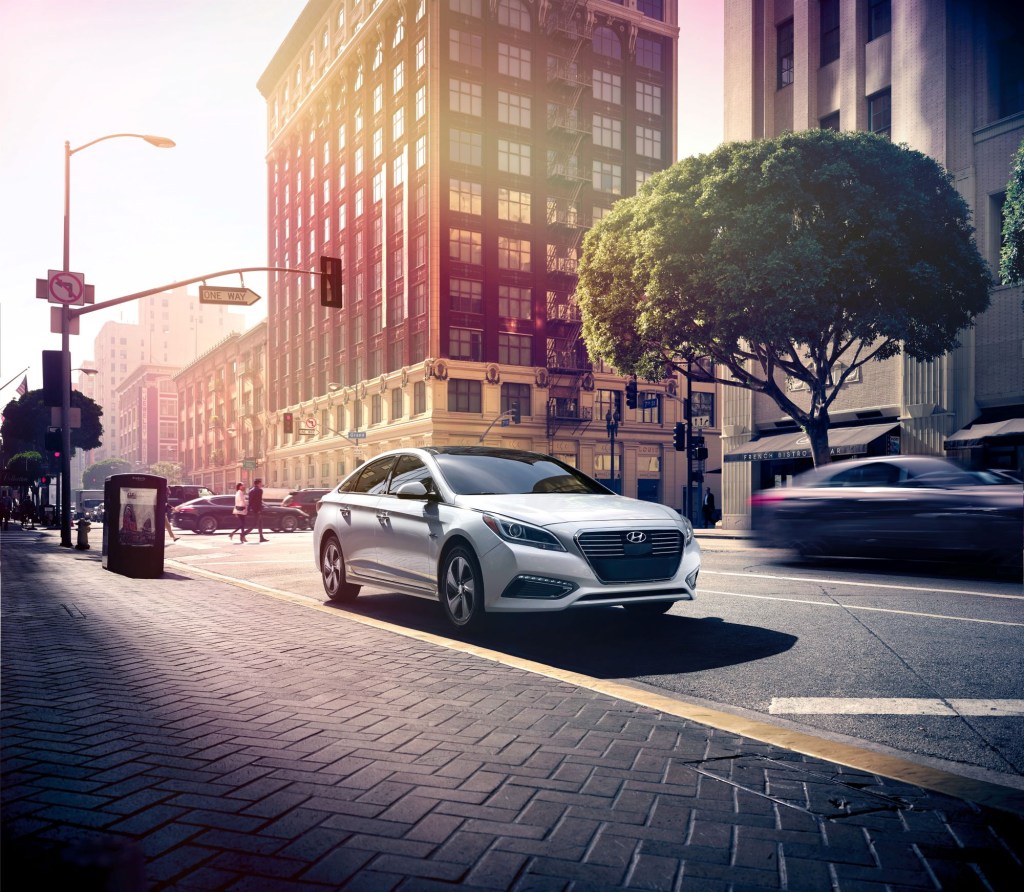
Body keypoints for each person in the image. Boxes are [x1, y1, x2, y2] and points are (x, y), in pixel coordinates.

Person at [245, 478, 268, 543]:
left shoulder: (251, 490)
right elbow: (259, 501)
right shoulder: (259, 490)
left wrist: (249, 509)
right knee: (255, 524)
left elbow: (250, 501)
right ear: (258, 483)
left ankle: (261, 537)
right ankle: (243, 534)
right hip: (257, 509)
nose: (261, 484)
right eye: (261, 483)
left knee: (260, 523)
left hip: (253, 509)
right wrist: (259, 510)